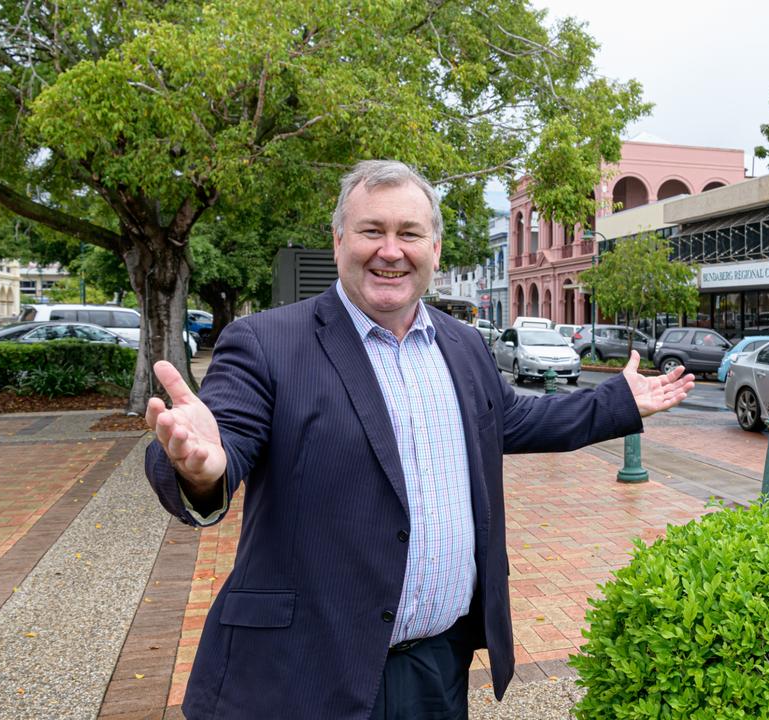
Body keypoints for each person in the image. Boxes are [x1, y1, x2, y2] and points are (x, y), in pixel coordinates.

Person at [144, 159, 694, 720]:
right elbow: (224, 441)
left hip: (436, 666)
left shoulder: (464, 346)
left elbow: (514, 424)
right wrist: (201, 466)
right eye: (371, 231)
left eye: (409, 233)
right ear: (338, 241)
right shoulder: (266, 342)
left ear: (434, 247)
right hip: (305, 669)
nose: (391, 250)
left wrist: (621, 401)